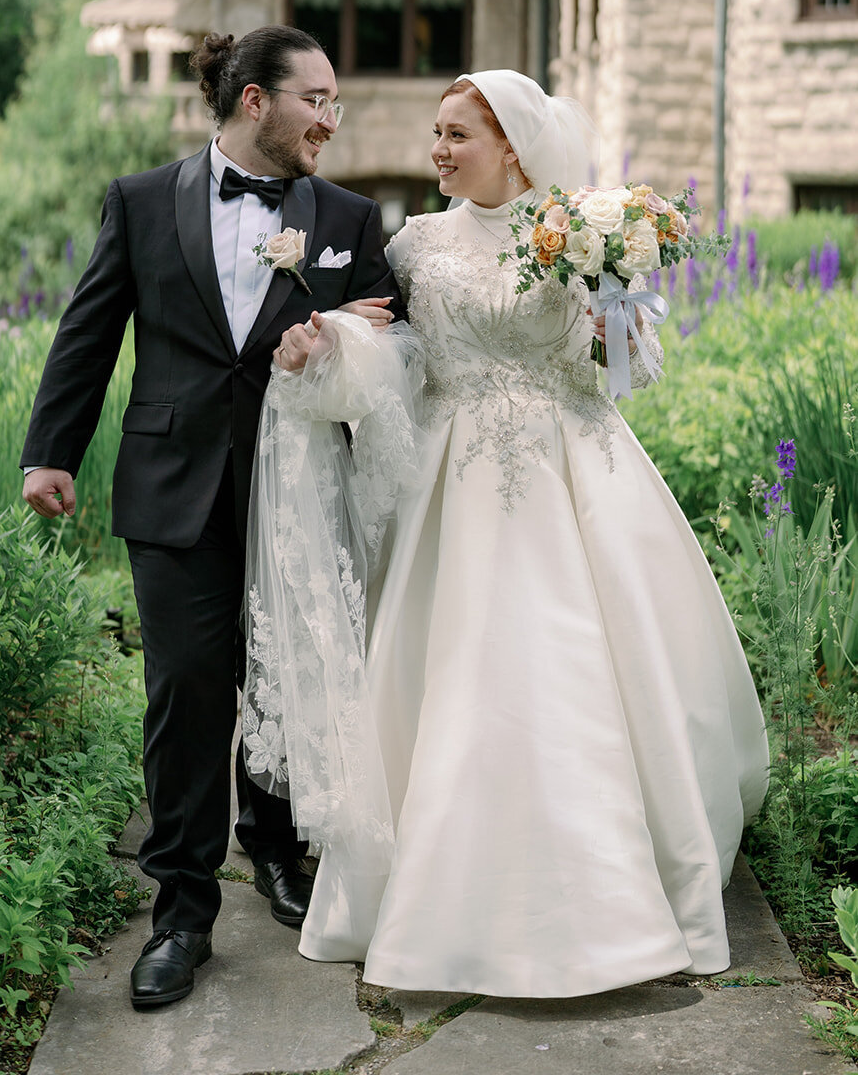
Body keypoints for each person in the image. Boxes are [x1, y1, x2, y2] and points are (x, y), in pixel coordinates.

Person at [246, 68, 769, 1000]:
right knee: (448, 675)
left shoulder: (582, 232)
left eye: (457, 134)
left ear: (513, 148)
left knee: (575, 673)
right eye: (437, 133)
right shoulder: (412, 244)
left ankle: (608, 895)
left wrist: (611, 286)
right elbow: (395, 349)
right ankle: (434, 883)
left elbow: (626, 367)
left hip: (571, 470)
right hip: (445, 481)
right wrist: (329, 342)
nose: (438, 150)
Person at [20, 25, 403, 1009]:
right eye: (314, 97)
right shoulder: (143, 201)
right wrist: (49, 450)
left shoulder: (350, 216)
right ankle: (182, 912)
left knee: (285, 667)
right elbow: (90, 324)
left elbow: (385, 331)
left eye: (333, 101)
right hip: (171, 477)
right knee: (186, 687)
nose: (329, 117)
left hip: (296, 484)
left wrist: (335, 339)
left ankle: (273, 851)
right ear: (251, 102)